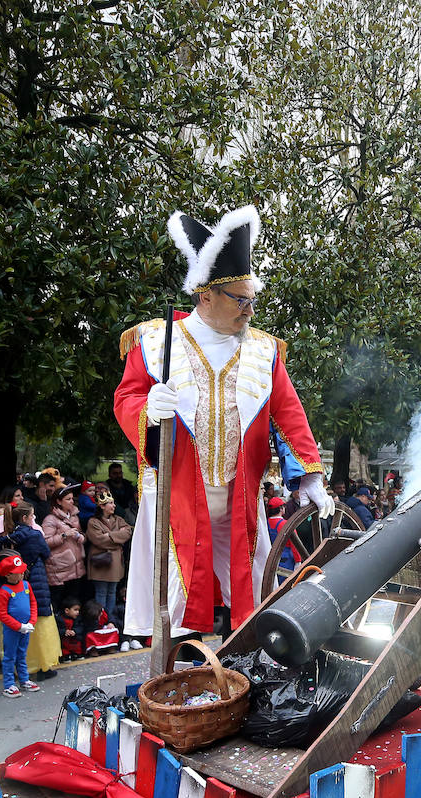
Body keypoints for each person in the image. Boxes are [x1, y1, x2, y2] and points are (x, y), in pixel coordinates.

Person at [113, 205, 331, 639]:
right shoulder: (154, 342)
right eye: (240, 299)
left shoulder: (265, 351)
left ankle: (247, 677)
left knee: (251, 594)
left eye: (253, 299)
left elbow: (287, 415)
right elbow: (128, 397)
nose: (250, 310)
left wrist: (308, 477)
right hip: (175, 494)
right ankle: (176, 685)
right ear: (205, 295)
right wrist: (146, 408)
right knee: (174, 598)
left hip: (240, 495)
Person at [2, 503, 58, 681]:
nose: (34, 518)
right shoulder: (34, 535)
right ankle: (42, 664)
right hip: (36, 579)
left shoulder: (8, 537)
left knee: (18, 621)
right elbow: (46, 553)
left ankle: (19, 666)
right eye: (32, 516)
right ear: (25, 518)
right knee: (39, 622)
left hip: (16, 583)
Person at [85, 488, 132, 635]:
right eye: (110, 503)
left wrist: (109, 535)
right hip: (101, 564)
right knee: (101, 592)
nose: (113, 506)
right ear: (102, 506)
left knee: (112, 592)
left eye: (113, 503)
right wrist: (117, 539)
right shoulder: (93, 522)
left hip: (115, 564)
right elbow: (97, 540)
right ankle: (99, 622)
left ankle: (111, 622)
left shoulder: (118, 519)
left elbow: (128, 532)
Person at [0, 553, 38, 698]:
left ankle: (24, 679)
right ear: (7, 575)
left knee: (22, 654)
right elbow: (2, 615)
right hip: (13, 630)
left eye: (22, 571)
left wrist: (32, 621)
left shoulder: (26, 585)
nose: (21, 574)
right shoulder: (3, 592)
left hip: (26, 627)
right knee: (9, 656)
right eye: (18, 573)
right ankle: (9, 684)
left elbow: (33, 603)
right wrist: (19, 626)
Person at [43, 486, 87, 614]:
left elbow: (82, 536)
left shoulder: (74, 517)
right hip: (59, 569)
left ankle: (72, 629)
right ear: (58, 501)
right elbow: (45, 542)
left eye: (72, 499)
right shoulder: (50, 520)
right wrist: (63, 535)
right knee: (58, 601)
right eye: (68, 499)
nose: (72, 501)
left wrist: (80, 537)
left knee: (74, 601)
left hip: (76, 566)